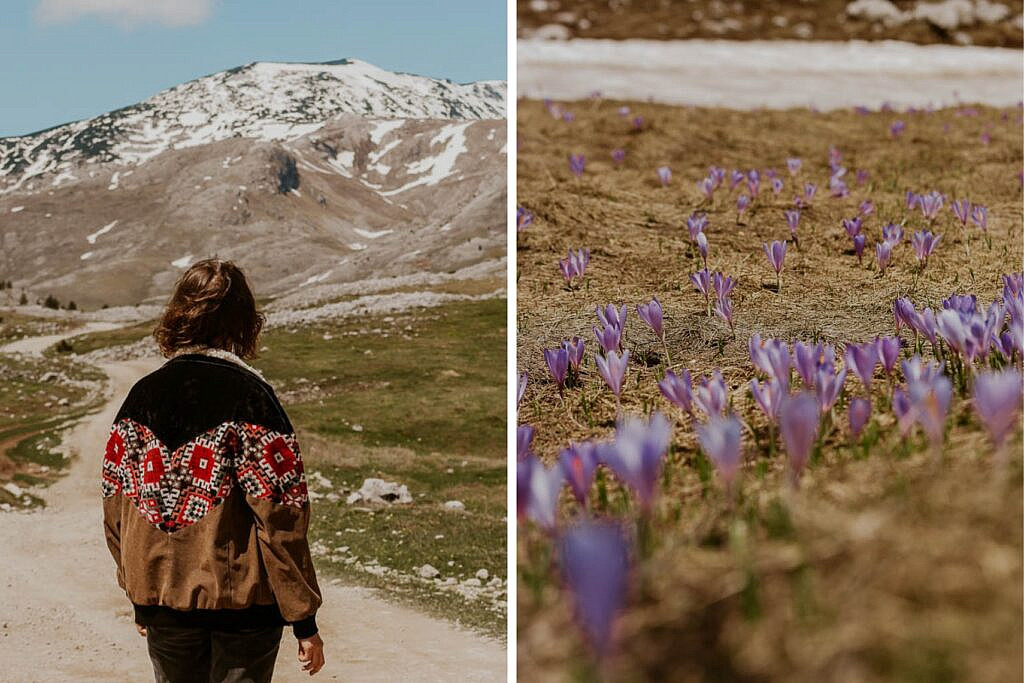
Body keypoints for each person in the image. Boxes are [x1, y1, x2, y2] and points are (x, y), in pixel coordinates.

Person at [101, 259, 325, 681]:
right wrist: (304, 619)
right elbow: (280, 516)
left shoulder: (141, 397)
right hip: (243, 610)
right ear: (243, 321)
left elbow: (116, 505)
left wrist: (139, 591)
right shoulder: (254, 399)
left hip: (165, 605)